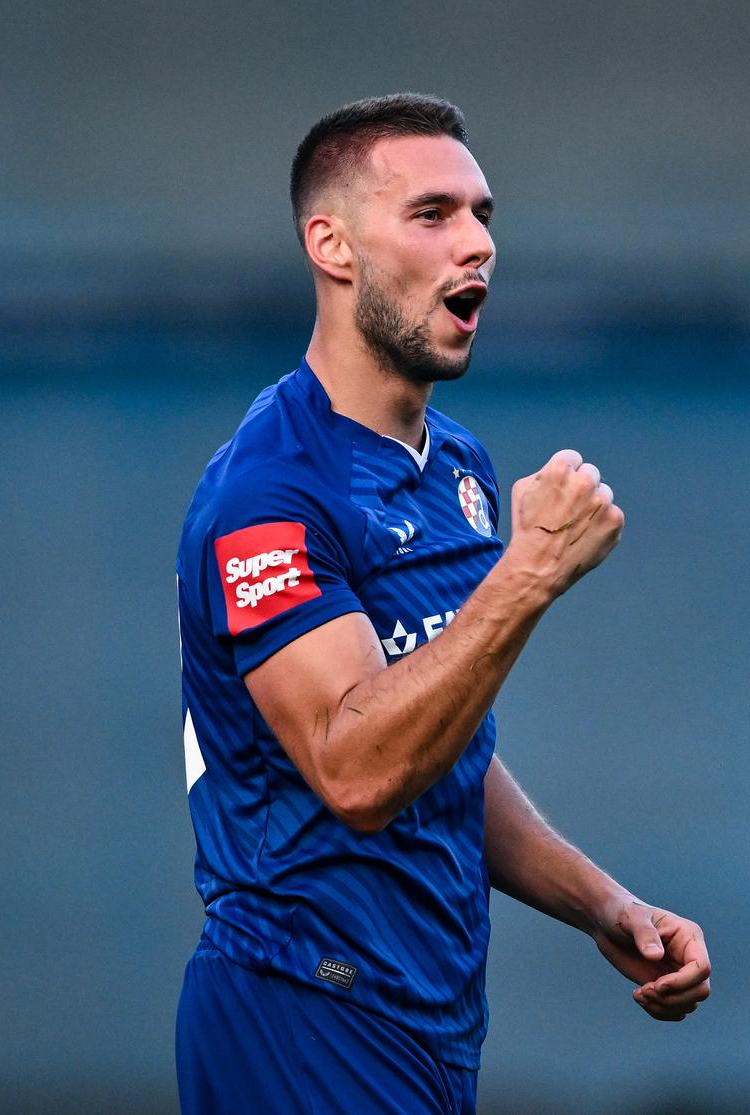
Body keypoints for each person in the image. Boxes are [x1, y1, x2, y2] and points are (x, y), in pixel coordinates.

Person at [173, 93, 712, 1115]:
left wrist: (601, 902)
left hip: (428, 1020)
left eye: (482, 215)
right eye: (431, 214)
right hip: (301, 1008)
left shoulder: (454, 463)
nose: (475, 244)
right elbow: (359, 765)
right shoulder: (268, 497)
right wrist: (529, 571)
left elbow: (434, 745)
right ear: (330, 244)